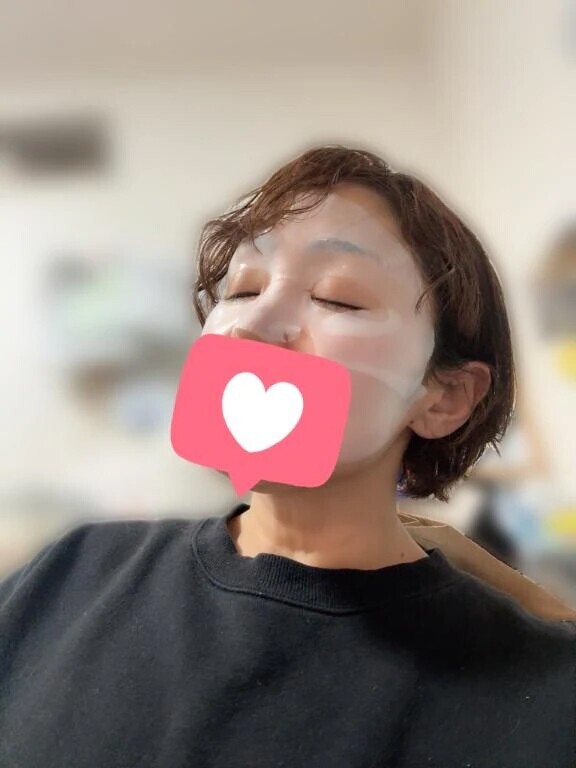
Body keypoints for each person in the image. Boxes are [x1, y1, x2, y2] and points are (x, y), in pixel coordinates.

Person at [1, 146, 574, 767]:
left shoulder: (549, 699)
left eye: (336, 298)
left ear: (445, 396)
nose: (251, 326)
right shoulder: (68, 574)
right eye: (243, 287)